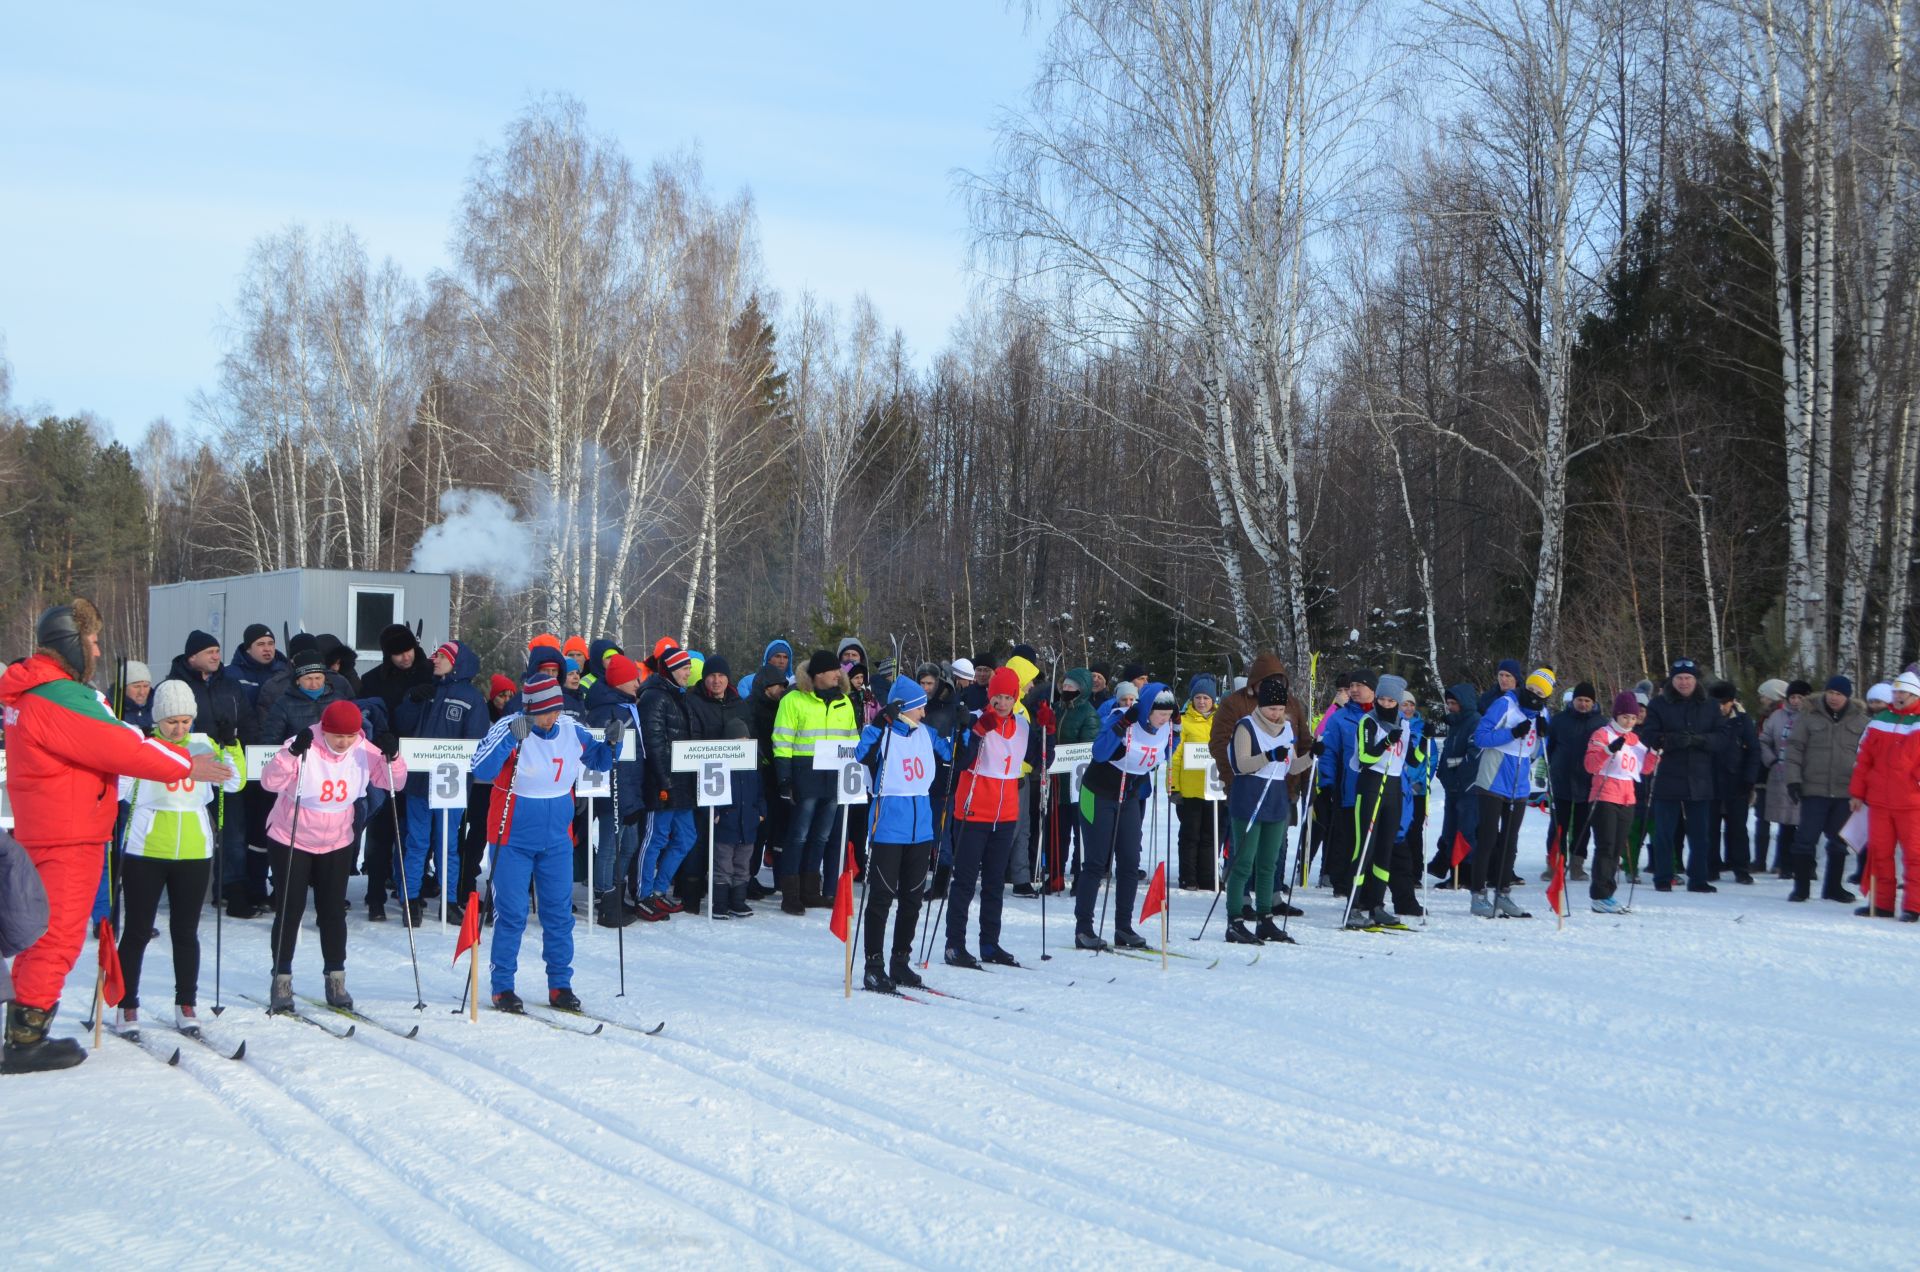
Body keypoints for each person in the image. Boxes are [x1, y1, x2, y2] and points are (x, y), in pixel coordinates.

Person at [1, 601, 222, 1074]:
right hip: (69, 834)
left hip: (48, 828)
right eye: (93, 641)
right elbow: (122, 747)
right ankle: (26, 1041)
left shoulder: (32, 691)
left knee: (41, 934)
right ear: (72, 645)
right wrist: (186, 763)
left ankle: (24, 1027)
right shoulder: (59, 696)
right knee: (56, 938)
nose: (98, 650)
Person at [470, 674, 616, 1013]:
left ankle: (560, 985)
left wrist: (611, 744)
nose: (550, 719)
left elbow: (599, 761)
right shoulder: (510, 725)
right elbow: (480, 768)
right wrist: (509, 740)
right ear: (530, 708)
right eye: (544, 713)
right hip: (512, 838)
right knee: (512, 914)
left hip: (557, 840)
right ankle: (503, 986)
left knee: (558, 914)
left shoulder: (570, 728)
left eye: (555, 710)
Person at [113, 679, 246, 1032]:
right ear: (158, 719)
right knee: (138, 930)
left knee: (185, 931)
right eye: (172, 721)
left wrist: (230, 746)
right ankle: (127, 1004)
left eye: (186, 720)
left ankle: (186, 1003)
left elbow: (233, 783)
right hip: (146, 850)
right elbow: (119, 790)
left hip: (194, 851)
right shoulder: (144, 747)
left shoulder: (203, 744)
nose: (179, 728)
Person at [260, 700, 404, 1013]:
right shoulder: (304, 744)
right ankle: (281, 978)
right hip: (291, 835)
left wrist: (392, 756)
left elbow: (393, 782)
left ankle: (335, 978)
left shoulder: (365, 750)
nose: (343, 742)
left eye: (350, 736)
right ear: (324, 730)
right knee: (290, 908)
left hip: (337, 839)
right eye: (337, 735)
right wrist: (291, 754)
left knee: (333, 911)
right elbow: (269, 781)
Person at [855, 677, 953, 990]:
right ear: (905, 709)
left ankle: (900, 961)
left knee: (912, 899)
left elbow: (954, 755)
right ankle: (874, 965)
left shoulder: (927, 733)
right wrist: (882, 720)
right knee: (882, 898)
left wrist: (967, 731)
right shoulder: (881, 734)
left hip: (921, 827)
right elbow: (861, 754)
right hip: (888, 827)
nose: (924, 713)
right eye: (919, 707)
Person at [948, 667, 1040, 966]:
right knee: (964, 881)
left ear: (1015, 698)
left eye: (1007, 697)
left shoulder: (1023, 726)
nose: (1001, 703)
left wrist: (1047, 732)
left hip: (1006, 814)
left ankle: (990, 944)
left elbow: (1041, 760)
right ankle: (955, 945)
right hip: (973, 811)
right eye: (997, 696)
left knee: (994, 883)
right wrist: (975, 732)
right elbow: (960, 761)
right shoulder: (976, 718)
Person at [1072, 681, 1174, 952]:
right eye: (1159, 713)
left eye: (1168, 714)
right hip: (1097, 794)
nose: (1164, 719)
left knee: (1130, 862)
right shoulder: (1121, 718)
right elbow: (1099, 752)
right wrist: (1120, 729)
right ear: (1147, 710)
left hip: (1128, 796)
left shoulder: (1164, 730)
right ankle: (1084, 928)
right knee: (1096, 862)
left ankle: (1123, 927)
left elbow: (1161, 756)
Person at [395, 641, 489, 925]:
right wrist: (412, 702)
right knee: (417, 843)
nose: (435, 660)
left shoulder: (472, 698)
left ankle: (449, 902)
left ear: (457, 663)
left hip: (451, 785)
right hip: (419, 783)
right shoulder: (427, 690)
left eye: (443, 656)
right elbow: (402, 724)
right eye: (436, 656)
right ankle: (410, 900)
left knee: (447, 845)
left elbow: (477, 744)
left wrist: (467, 776)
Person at [771, 651, 859, 915]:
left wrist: (853, 770)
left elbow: (853, 739)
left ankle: (811, 890)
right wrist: (784, 777)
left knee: (822, 835)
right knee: (798, 835)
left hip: (835, 775)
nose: (839, 674)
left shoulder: (844, 701)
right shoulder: (794, 699)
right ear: (818, 674)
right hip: (805, 773)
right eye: (833, 670)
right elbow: (782, 741)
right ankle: (790, 893)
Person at [1637, 657, 1726, 893]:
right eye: (1679, 678)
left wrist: (1700, 740)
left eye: (1688, 678)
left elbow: (1722, 738)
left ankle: (1698, 878)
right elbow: (1648, 735)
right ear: (1672, 680)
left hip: (1700, 778)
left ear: (1695, 680)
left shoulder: (1709, 705)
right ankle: (1663, 877)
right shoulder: (1658, 704)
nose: (1684, 682)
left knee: (1700, 834)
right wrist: (1672, 740)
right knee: (1665, 833)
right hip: (1668, 776)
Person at [1470, 666, 1552, 917]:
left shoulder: (1542, 712)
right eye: (1531, 689)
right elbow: (1480, 737)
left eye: (1540, 693)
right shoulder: (1505, 704)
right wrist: (1511, 733)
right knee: (1487, 839)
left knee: (1510, 841)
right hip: (1493, 778)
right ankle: (1478, 895)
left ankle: (1503, 893)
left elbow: (1536, 752)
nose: (1534, 695)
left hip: (1519, 784)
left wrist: (1542, 737)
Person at [1221, 674, 1294, 944]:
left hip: (1275, 800)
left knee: (1268, 864)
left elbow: (1291, 766)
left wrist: (1312, 755)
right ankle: (1235, 920)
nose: (1276, 714)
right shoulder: (1246, 727)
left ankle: (1265, 918)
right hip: (1250, 798)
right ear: (1261, 706)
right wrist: (1268, 756)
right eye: (1272, 708)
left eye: (1280, 708)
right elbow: (1240, 765)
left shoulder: (1287, 728)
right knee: (1243, 863)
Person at [1782, 676, 1867, 903]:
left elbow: (1868, 757)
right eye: (1830, 692)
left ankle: (1833, 888)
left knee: (1839, 841)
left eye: (1838, 694)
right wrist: (1793, 780)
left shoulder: (1861, 721)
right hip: (1813, 789)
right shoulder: (1808, 716)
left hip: (1844, 792)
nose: (1833, 697)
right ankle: (1801, 888)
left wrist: (1864, 789)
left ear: (1847, 696)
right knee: (1805, 839)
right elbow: (1794, 749)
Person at [1848, 670, 1920, 918]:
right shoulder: (1879, 721)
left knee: (1915, 856)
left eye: (1903, 692)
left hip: (1912, 803)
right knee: (1879, 854)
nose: (1898, 696)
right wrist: (1857, 793)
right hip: (1879, 801)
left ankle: (1914, 906)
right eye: (1896, 691)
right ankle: (1881, 904)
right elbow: (1863, 760)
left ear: (1914, 695)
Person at [635, 644, 698, 920]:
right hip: (662, 782)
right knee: (656, 837)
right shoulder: (654, 697)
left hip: (683, 781)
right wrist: (664, 781)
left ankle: (659, 890)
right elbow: (654, 743)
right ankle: (643, 894)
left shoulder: (678, 696)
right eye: (685, 668)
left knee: (687, 837)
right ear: (671, 669)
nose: (689, 673)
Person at [1347, 674, 1415, 929]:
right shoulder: (1368, 721)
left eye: (1390, 700)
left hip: (1394, 787)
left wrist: (1425, 740)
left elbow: (1413, 758)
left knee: (1386, 849)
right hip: (1371, 785)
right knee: (1364, 848)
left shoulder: (1404, 725)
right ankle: (1354, 905)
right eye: (1382, 699)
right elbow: (1364, 757)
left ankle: (1377, 905)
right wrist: (1387, 741)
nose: (1386, 704)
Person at [584, 653, 645, 926]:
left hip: (630, 788)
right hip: (612, 788)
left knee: (629, 844)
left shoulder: (627, 706)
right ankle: (605, 898)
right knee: (610, 846)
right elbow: (603, 755)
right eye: (633, 678)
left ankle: (615, 894)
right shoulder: (606, 711)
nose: (637, 682)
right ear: (620, 680)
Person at [1584, 691, 1656, 913]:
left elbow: (1644, 768)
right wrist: (1607, 750)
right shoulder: (1602, 734)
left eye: (1633, 718)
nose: (1629, 722)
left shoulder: (1634, 739)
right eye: (1625, 717)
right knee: (1605, 846)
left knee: (1617, 849)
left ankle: (1609, 894)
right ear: (1616, 715)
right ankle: (1599, 895)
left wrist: (1655, 752)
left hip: (1627, 797)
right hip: (1604, 795)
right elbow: (1590, 765)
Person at [1544, 682, 1604, 881]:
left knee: (1582, 825)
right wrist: (1552, 769)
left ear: (1593, 702)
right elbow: (1549, 748)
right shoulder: (1559, 720)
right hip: (1561, 780)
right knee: (1557, 824)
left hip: (1587, 782)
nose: (1583, 704)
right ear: (1573, 701)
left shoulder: (1600, 723)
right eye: (1580, 700)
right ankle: (1554, 864)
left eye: (1587, 701)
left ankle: (1577, 864)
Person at [1428, 683, 1483, 886]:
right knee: (1450, 832)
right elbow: (1448, 753)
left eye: (1454, 703)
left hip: (1468, 788)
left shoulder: (1475, 722)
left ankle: (1466, 875)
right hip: (1452, 788)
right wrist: (1443, 773)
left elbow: (1473, 756)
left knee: (1465, 832)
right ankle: (1454, 872)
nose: (1450, 707)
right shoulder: (1455, 724)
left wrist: (1453, 769)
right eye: (1449, 703)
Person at [1709, 681, 1762, 884]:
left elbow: (1754, 751)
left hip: (1736, 780)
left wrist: (1749, 779)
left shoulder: (1742, 721)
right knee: (1710, 827)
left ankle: (1741, 867)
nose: (1721, 707)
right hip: (1711, 780)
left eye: (1724, 703)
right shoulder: (1707, 720)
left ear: (1732, 702)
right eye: (1717, 703)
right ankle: (1711, 866)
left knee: (1738, 828)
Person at [711, 717, 763, 921]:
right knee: (723, 866)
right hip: (726, 825)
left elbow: (760, 793)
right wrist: (715, 812)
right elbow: (711, 792)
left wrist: (760, 812)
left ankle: (738, 901)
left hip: (748, 825)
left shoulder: (754, 766)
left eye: (745, 740)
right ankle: (720, 903)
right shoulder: (721, 766)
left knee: (743, 865)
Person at [1169, 674, 1218, 891]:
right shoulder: (1184, 722)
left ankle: (1207, 877)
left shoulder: (1220, 721)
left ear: (1213, 700)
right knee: (1190, 836)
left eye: (1206, 698)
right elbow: (1175, 757)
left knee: (1210, 836)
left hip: (1214, 790)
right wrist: (1173, 787)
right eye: (1197, 697)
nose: (1201, 702)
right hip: (1190, 790)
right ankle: (1188, 877)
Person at [1757, 680, 1808, 877]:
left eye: (1800, 697)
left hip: (1805, 775)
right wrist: (1771, 760)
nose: (1795, 701)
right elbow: (1764, 740)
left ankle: (1803, 865)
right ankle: (1784, 864)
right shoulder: (1777, 716)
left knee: (1803, 821)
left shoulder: (1812, 717)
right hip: (1779, 774)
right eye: (1792, 697)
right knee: (1785, 821)